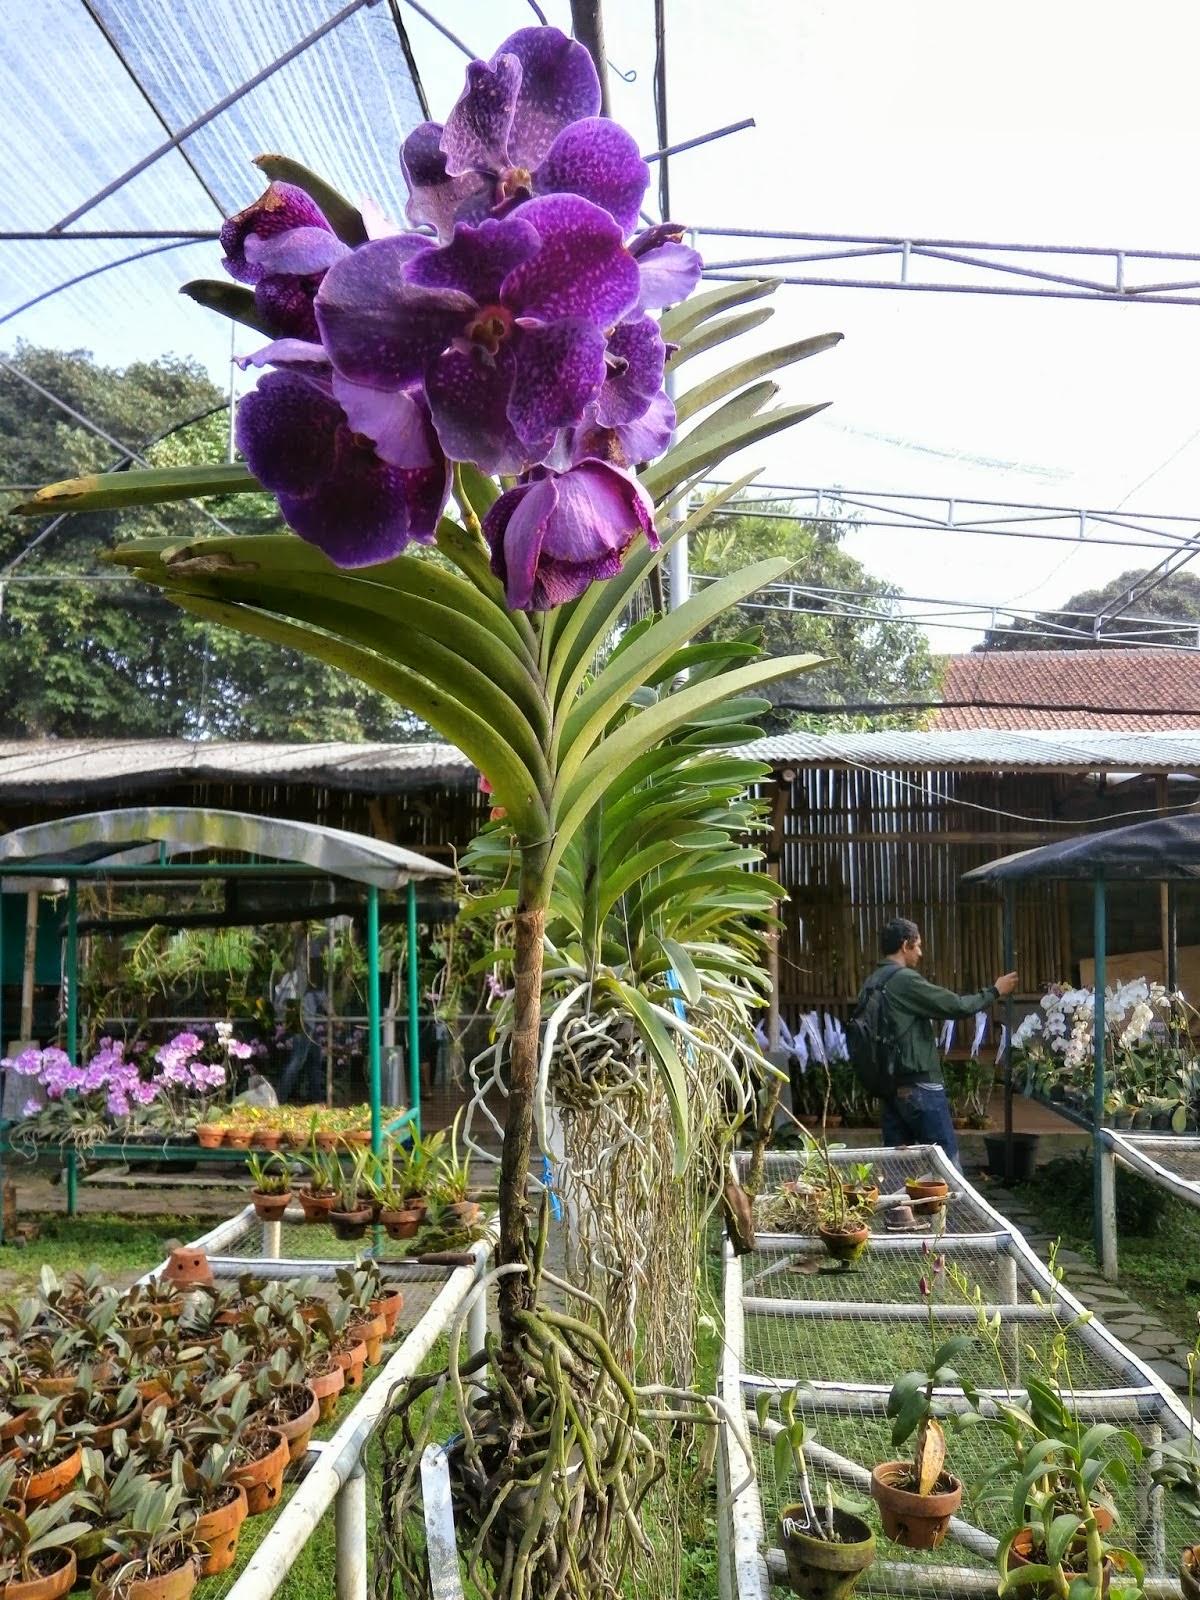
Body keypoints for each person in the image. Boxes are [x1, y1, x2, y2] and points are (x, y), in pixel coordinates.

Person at [862, 917, 1017, 1168]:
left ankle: (898, 1208)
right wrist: (994, 991)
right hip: (919, 1086)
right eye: (918, 946)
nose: (921, 953)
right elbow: (955, 1005)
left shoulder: (872, 982)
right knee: (945, 1166)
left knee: (897, 1167)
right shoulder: (904, 980)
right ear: (905, 945)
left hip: (889, 1087)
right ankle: (952, 1208)